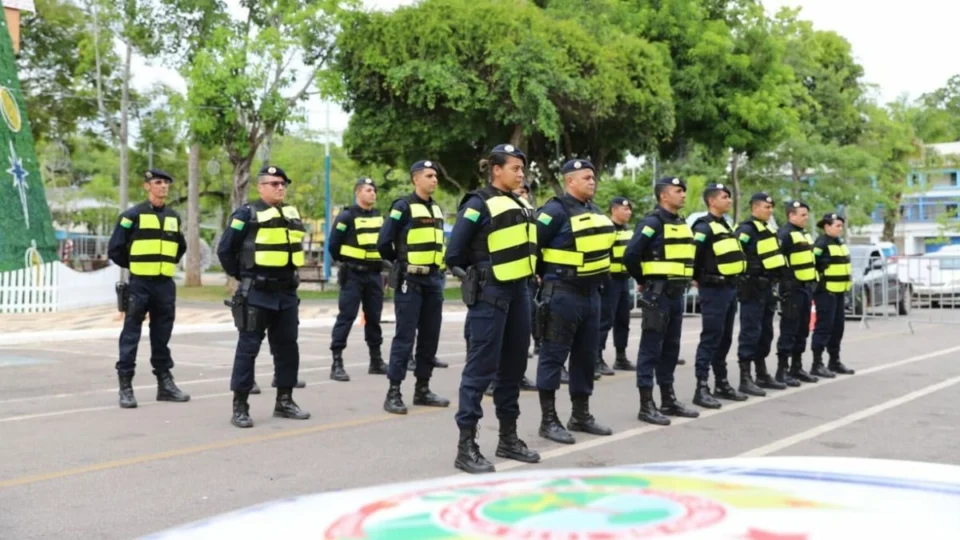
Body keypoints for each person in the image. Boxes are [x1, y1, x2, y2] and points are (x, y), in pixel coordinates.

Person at [446, 143, 541, 474]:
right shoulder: (477, 203)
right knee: (480, 370)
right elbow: (454, 255)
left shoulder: (521, 203)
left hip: (520, 293)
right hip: (491, 295)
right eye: (515, 168)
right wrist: (476, 279)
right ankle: (466, 446)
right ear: (496, 170)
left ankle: (508, 438)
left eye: (522, 168)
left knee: (513, 369)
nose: (521, 174)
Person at [217, 165, 311, 428]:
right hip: (256, 293)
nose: (280, 187)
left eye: (283, 184)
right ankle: (240, 406)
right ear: (260, 187)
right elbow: (225, 250)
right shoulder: (246, 214)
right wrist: (244, 276)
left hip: (286, 293)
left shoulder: (291, 213)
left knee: (287, 348)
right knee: (248, 350)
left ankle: (285, 401)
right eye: (274, 183)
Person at [534, 159, 616, 445]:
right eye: (586, 177)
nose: (592, 181)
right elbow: (533, 245)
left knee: (585, 358)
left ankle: (580, 415)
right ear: (570, 181)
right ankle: (548, 420)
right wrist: (542, 277)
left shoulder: (594, 210)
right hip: (562, 293)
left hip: (591, 295)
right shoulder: (554, 210)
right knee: (553, 357)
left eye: (593, 177)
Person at [107, 169, 190, 409]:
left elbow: (180, 247)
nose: (163, 186)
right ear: (147, 186)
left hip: (164, 285)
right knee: (131, 334)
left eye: (166, 183)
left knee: (162, 335)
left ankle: (165, 385)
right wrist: (137, 265)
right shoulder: (131, 215)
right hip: (140, 284)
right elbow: (115, 248)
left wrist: (164, 263)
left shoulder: (173, 217)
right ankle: (126, 386)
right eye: (158, 182)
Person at [623, 176, 698, 426]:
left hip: (676, 294)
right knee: (651, 349)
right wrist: (643, 280)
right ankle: (646, 404)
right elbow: (631, 254)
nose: (683, 194)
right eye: (678, 191)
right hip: (658, 294)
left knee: (671, 349)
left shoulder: (680, 222)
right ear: (664, 195)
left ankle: (668, 399)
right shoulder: (652, 222)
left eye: (684, 191)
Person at [377, 160, 450, 415]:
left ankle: (423, 388)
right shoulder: (402, 206)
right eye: (429, 175)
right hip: (411, 280)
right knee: (405, 337)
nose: (434, 179)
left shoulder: (436, 209)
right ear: (415, 179)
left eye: (436, 175)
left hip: (433, 281)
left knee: (430, 336)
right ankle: (394, 392)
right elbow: (383, 242)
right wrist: (400, 264)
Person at [690, 183, 750, 410]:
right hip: (713, 288)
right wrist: (696, 277)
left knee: (724, 339)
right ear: (712, 201)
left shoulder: (725, 225)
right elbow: (693, 254)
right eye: (725, 197)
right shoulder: (703, 226)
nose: (729, 200)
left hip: (729, 288)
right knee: (711, 338)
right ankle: (701, 387)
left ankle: (721, 383)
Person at [327, 177, 388, 381]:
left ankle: (376, 361)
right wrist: (346, 263)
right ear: (358, 193)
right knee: (347, 316)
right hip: (353, 274)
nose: (373, 193)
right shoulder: (346, 216)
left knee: (374, 317)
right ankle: (337, 362)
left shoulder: (379, 216)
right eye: (368, 190)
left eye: (374, 190)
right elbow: (333, 245)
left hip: (374, 274)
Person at [735, 193, 788, 392]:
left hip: (767, 289)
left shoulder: (768, 230)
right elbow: (736, 254)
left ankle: (761, 373)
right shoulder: (746, 230)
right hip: (752, 288)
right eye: (767, 207)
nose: (770, 210)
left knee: (765, 333)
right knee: (750, 332)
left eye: (771, 207)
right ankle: (745, 377)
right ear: (755, 208)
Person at [775, 200, 819, 384]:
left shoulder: (804, 234)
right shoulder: (784, 234)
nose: (806, 218)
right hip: (791, 289)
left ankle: (797, 367)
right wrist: (785, 282)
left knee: (802, 330)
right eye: (802, 215)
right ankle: (782, 370)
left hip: (805, 288)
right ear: (791, 215)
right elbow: (777, 261)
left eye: (807, 214)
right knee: (789, 329)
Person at [811, 213, 855, 376]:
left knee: (838, 328)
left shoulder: (839, 242)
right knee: (824, 327)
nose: (840, 229)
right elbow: (812, 263)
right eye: (837, 225)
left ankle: (834, 361)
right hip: (826, 291)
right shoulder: (821, 243)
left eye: (841, 226)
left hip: (839, 291)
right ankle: (817, 363)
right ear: (826, 226)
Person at [598, 197, 636, 375]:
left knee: (623, 320)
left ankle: (621, 357)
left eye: (629, 209)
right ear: (614, 210)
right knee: (605, 320)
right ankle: (597, 358)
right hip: (609, 280)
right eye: (625, 209)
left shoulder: (628, 231)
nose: (629, 212)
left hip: (624, 280)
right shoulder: (606, 229)